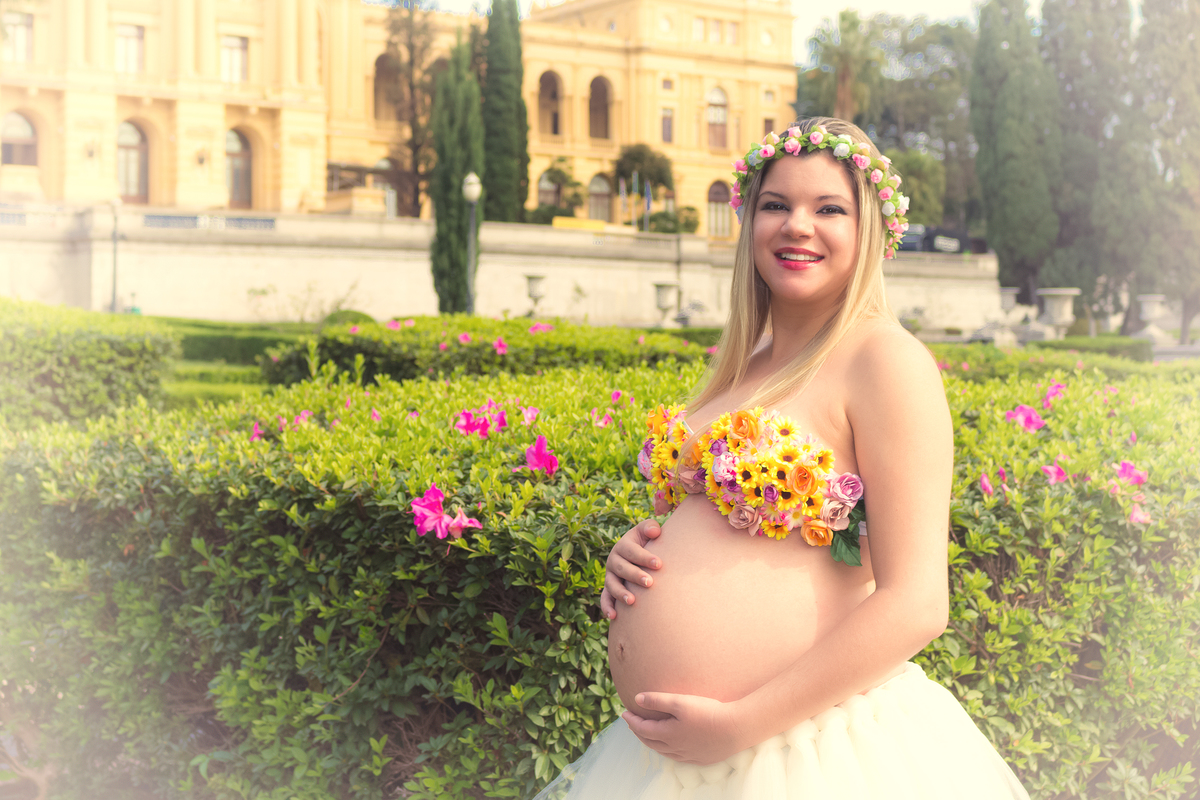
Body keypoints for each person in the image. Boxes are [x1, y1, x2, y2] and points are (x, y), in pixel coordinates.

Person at [533, 117, 1030, 799]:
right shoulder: (745, 363)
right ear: (750, 223)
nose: (798, 225)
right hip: (672, 762)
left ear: (874, 231)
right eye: (777, 205)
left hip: (808, 751)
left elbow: (917, 602)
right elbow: (731, 537)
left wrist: (742, 723)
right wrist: (636, 558)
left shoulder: (884, 360)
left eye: (829, 208)